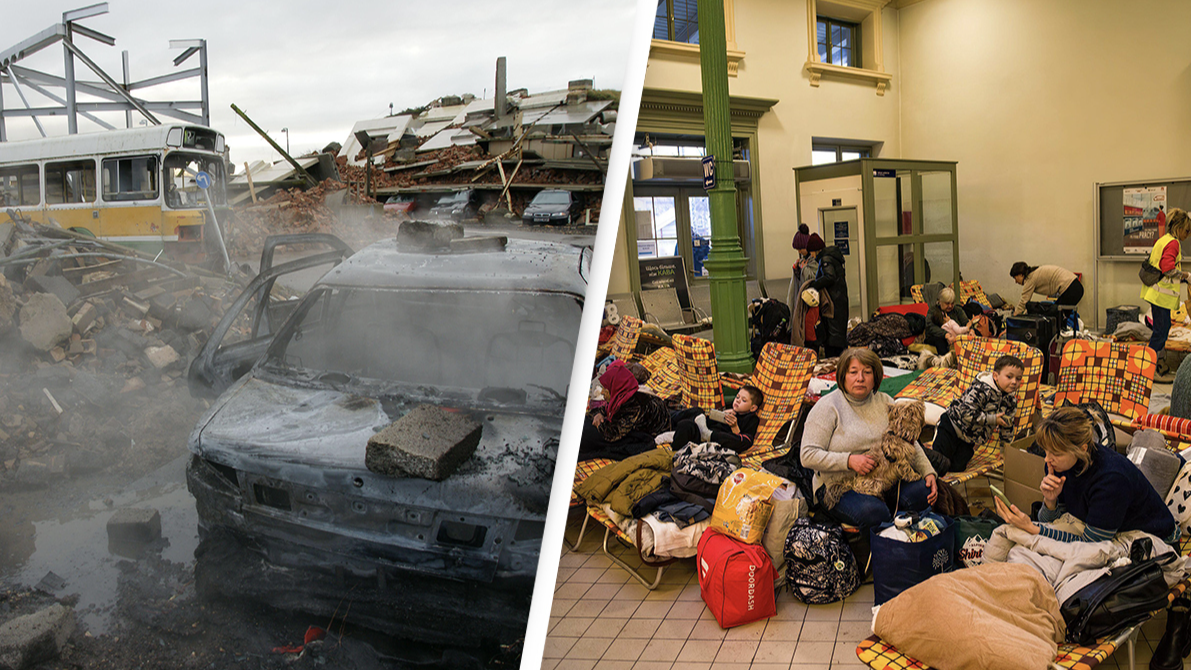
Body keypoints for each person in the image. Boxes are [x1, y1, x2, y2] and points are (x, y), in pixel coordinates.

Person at [995, 406, 1176, 544]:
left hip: (1152, 538)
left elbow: (1090, 545)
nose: (1047, 459)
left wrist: (1032, 528)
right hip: (1098, 529)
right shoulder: (1059, 463)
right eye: (1046, 451)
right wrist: (1050, 502)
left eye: (1055, 454)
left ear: (1082, 449)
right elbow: (1056, 521)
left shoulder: (1111, 479)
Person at [801, 347, 938, 527]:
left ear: (875, 378)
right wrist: (849, 461)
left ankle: (908, 543)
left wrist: (928, 471)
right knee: (874, 513)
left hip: (884, 477)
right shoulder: (827, 407)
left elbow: (907, 440)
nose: (860, 378)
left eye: (867, 372)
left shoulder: (885, 401)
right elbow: (807, 455)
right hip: (839, 485)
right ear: (842, 376)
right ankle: (883, 546)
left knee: (923, 493)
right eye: (853, 372)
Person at [932, 354, 1023, 474]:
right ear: (995, 376)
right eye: (1009, 377)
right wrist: (992, 419)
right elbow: (966, 413)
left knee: (957, 467)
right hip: (952, 425)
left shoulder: (1010, 401)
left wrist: (1004, 451)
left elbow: (1007, 427)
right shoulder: (981, 389)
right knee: (939, 463)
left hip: (969, 438)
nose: (1014, 382)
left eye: (1018, 378)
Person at [580, 361, 670, 460]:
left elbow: (613, 434)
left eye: (605, 389)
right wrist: (599, 414)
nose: (602, 392)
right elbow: (604, 409)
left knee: (588, 434)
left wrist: (599, 424)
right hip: (631, 427)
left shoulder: (633, 405)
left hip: (648, 434)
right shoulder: (622, 395)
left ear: (614, 389)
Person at [1141, 208, 1191, 381]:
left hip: (1156, 294)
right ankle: (1150, 371)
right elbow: (1168, 269)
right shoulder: (1174, 243)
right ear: (1178, 227)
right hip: (1160, 296)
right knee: (1160, 333)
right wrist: (1186, 276)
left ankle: (1158, 363)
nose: (1188, 234)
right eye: (1187, 230)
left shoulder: (1163, 240)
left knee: (1161, 330)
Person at [666, 386, 764, 454]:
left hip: (717, 443)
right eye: (737, 397)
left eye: (744, 400)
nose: (737, 400)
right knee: (689, 421)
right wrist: (720, 415)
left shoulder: (751, 419)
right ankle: (674, 452)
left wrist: (734, 426)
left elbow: (745, 442)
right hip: (702, 437)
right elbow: (708, 423)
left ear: (752, 408)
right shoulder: (730, 410)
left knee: (727, 437)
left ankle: (707, 434)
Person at [808, 233, 849, 357]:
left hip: (833, 304)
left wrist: (814, 285)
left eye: (811, 252)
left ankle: (834, 367)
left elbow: (829, 277)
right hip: (839, 303)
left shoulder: (825, 259)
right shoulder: (832, 257)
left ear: (816, 250)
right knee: (838, 339)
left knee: (833, 341)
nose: (811, 255)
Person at [1010, 262, 1084, 315]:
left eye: (1015, 278)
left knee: (1056, 315)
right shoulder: (1034, 273)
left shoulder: (1030, 278)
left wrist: (1014, 316)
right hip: (1075, 286)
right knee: (1059, 315)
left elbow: (1024, 301)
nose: (1016, 281)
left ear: (1020, 274)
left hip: (1071, 288)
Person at [924, 287, 970, 357]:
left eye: (952, 303)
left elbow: (966, 322)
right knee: (940, 341)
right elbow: (930, 327)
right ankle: (945, 363)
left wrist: (971, 330)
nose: (950, 306)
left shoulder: (957, 310)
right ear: (940, 301)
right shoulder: (933, 311)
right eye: (947, 303)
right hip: (937, 337)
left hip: (956, 335)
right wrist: (945, 335)